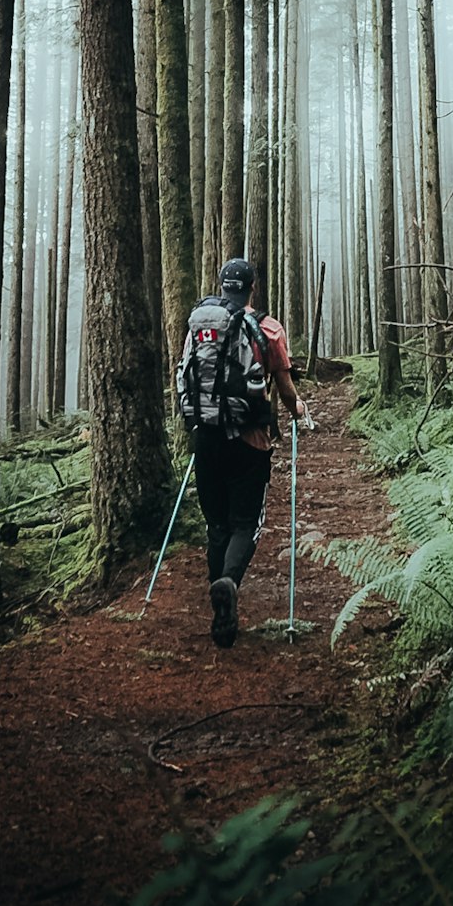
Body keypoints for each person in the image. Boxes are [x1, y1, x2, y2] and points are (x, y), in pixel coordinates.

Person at [187, 257, 304, 648]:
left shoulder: (200, 324)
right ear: (253, 287)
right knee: (245, 522)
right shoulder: (268, 328)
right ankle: (228, 583)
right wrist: (298, 412)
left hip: (205, 437)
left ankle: (219, 599)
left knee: (217, 524)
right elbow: (285, 389)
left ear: (222, 286)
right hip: (250, 440)